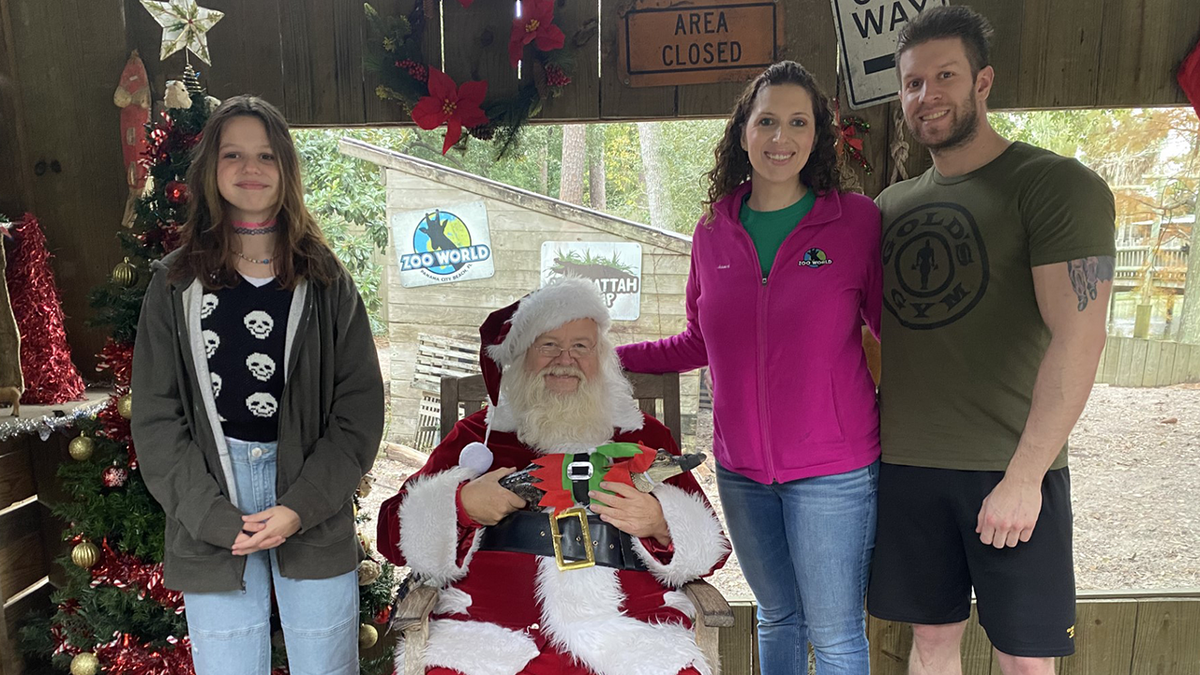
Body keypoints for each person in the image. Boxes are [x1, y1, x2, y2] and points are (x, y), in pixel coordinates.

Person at [865, 7, 1116, 675]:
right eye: (913, 83)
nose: (927, 96)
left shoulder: (1055, 185)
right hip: (909, 468)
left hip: (1009, 468)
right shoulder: (890, 207)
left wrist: (1027, 476)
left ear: (983, 81)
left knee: (1026, 658)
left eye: (944, 76)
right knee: (932, 646)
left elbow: (1080, 337)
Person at [616, 61, 883, 674]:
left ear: (818, 136)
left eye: (797, 122)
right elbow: (697, 342)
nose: (780, 137)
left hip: (835, 471)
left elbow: (889, 332)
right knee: (776, 616)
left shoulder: (856, 221)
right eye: (766, 121)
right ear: (743, 132)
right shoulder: (713, 230)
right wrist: (605, 356)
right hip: (742, 471)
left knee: (837, 634)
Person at [131, 95, 385, 675]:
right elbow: (154, 416)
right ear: (211, 170)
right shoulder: (174, 283)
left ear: (287, 170)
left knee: (327, 661)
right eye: (234, 154)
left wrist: (302, 506)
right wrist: (213, 517)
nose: (251, 168)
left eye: (266, 155)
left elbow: (359, 410)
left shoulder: (324, 279)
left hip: (310, 494)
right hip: (211, 497)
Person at [376, 277, 730, 675]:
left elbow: (710, 550)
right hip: (490, 628)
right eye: (548, 346)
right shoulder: (479, 438)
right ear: (521, 356)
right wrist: (460, 505)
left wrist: (663, 524)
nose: (566, 359)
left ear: (602, 357)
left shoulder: (643, 438)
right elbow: (391, 537)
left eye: (581, 346)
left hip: (630, 629)